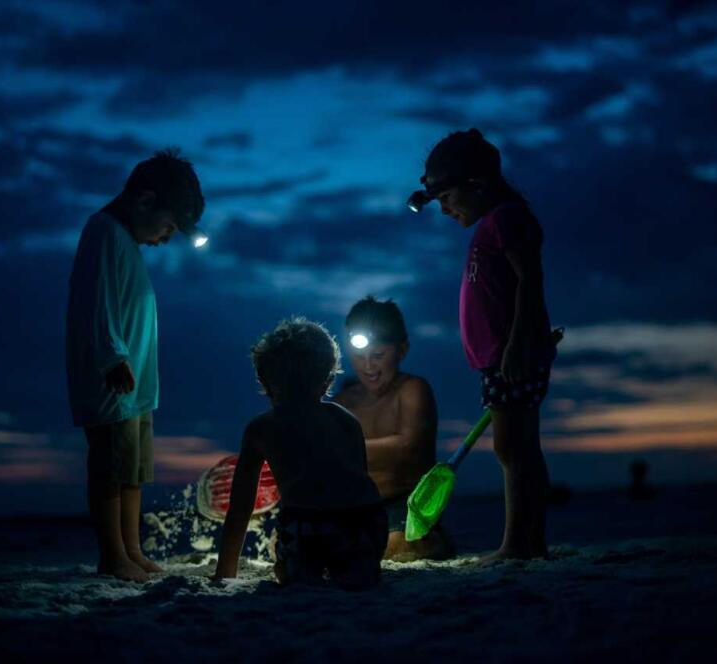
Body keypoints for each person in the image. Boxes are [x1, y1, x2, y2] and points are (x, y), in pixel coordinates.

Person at [408, 128, 557, 561]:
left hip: (512, 357)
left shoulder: (506, 218)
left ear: (476, 185)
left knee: (514, 448)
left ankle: (518, 545)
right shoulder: (493, 224)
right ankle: (531, 543)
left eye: (447, 198)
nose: (444, 210)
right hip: (502, 359)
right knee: (518, 447)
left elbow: (530, 280)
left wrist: (517, 344)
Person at [66, 148, 205, 582]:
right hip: (114, 380)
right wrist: (112, 357)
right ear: (144, 202)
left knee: (132, 470)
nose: (165, 239)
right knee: (110, 467)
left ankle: (132, 548)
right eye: (167, 227)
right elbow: (97, 301)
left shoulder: (126, 241)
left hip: (137, 387)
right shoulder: (104, 231)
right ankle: (112, 555)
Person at [214, 317, 386, 590]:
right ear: (328, 379)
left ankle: (300, 567)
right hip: (366, 526)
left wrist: (224, 571)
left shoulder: (261, 428)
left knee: (285, 561)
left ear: (264, 380)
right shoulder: (347, 421)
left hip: (311, 529)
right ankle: (359, 567)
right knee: (354, 560)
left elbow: (240, 508)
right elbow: (360, 482)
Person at [333, 296, 454, 561]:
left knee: (398, 545)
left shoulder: (412, 390)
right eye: (359, 356)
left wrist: (337, 449)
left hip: (404, 506)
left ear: (402, 350)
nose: (368, 366)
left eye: (378, 356)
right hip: (353, 508)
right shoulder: (341, 402)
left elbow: (408, 447)